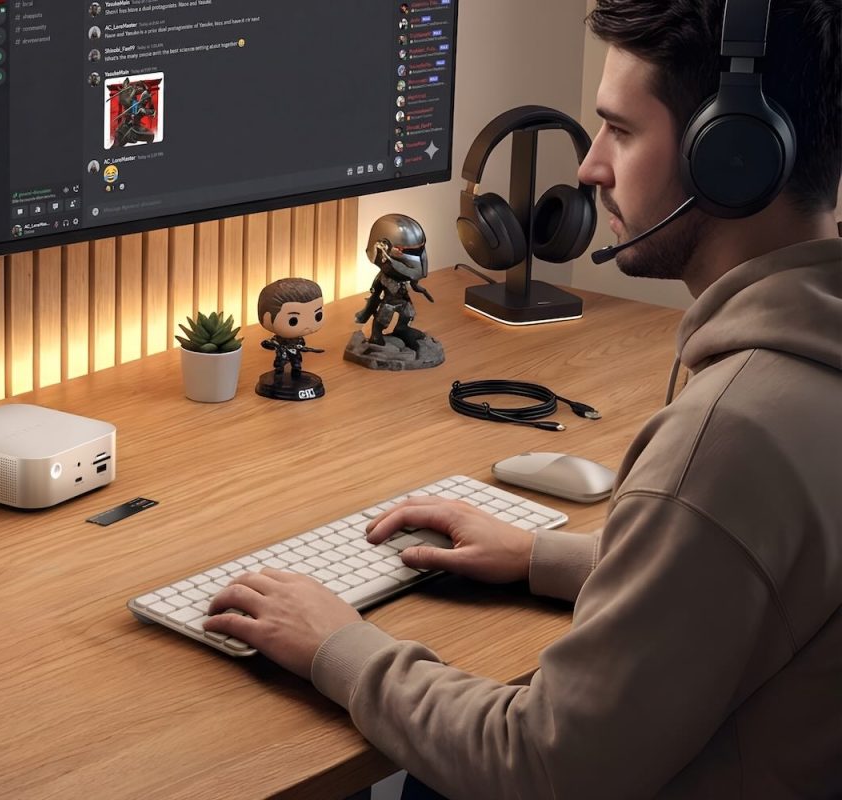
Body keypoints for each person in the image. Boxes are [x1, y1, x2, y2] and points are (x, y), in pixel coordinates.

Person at [201, 1, 842, 797]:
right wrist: (543, 556)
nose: (591, 167)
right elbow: (748, 574)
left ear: (732, 155)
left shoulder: (733, 437)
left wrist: (339, 645)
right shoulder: (810, 376)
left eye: (621, 130)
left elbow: (541, 764)